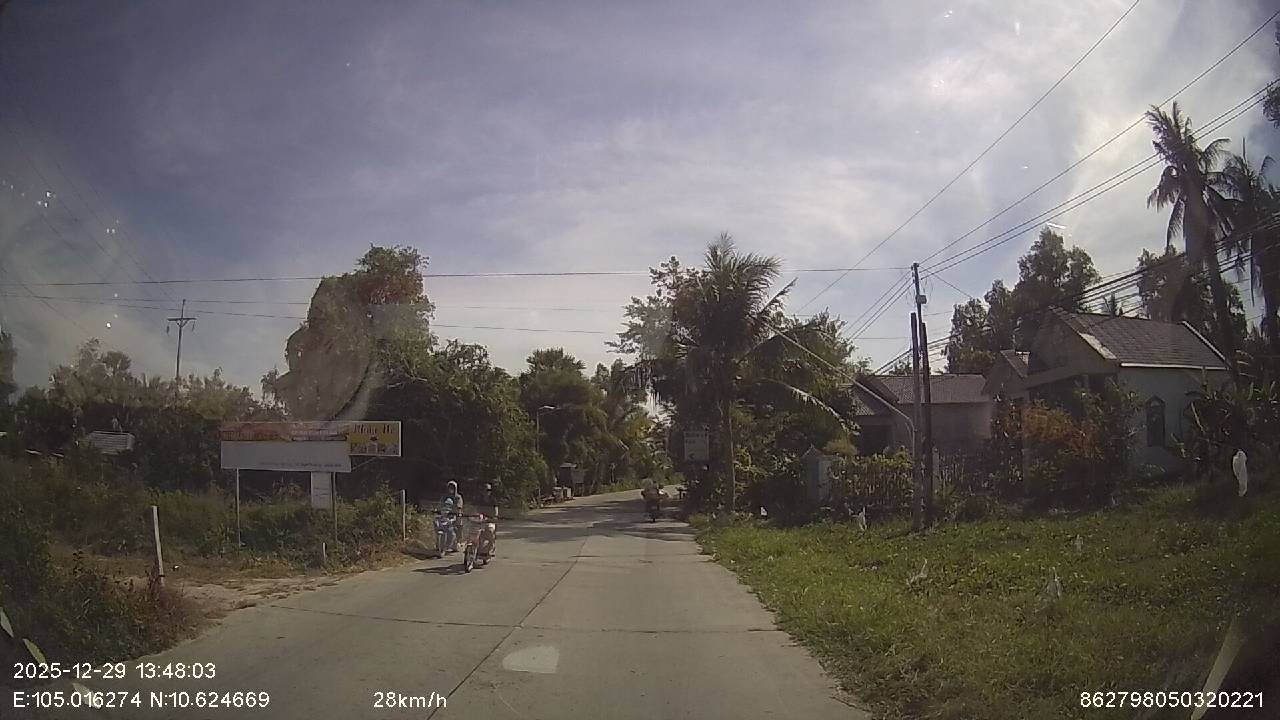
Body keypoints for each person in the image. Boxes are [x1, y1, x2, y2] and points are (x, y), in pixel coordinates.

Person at [440, 480, 464, 551]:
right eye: (449, 487)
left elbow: (459, 507)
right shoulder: (444, 497)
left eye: (452, 488)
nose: (451, 489)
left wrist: (457, 513)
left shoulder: (458, 497)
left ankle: (458, 540)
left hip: (454, 515)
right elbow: (440, 505)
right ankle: (439, 542)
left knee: (458, 525)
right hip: (444, 514)